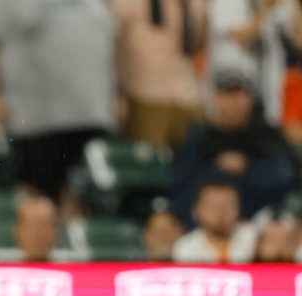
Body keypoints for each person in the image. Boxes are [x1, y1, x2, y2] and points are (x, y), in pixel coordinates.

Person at [0, 0, 115, 208]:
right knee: (39, 201)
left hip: (91, 115)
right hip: (35, 121)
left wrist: (117, 93)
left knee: (85, 202)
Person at [170, 65, 299, 228]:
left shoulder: (266, 135)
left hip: (259, 226)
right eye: (228, 94)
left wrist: (247, 168)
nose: (234, 102)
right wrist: (217, 168)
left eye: (240, 94)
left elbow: (288, 176)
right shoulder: (200, 138)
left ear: (250, 99)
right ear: (216, 98)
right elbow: (181, 185)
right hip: (207, 228)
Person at [111, 0, 207, 149]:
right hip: (145, 97)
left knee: (196, 154)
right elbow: (113, 47)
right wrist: (118, 94)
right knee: (151, 159)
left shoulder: (195, 4)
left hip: (189, 95)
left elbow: (200, 44)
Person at [208, 0, 302, 126]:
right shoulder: (228, 2)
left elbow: (298, 40)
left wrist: (293, 5)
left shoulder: (278, 4)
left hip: (268, 91)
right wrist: (266, 8)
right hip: (234, 88)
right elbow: (241, 38)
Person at [172, 180, 259, 263]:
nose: (220, 212)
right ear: (196, 210)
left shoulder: (253, 237)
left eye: (227, 205)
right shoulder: (185, 248)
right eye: (212, 206)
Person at [9, 194, 59, 262]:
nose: (37, 234)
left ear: (55, 230)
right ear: (16, 230)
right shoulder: (1, 266)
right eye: (30, 226)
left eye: (43, 226)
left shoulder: (69, 265)